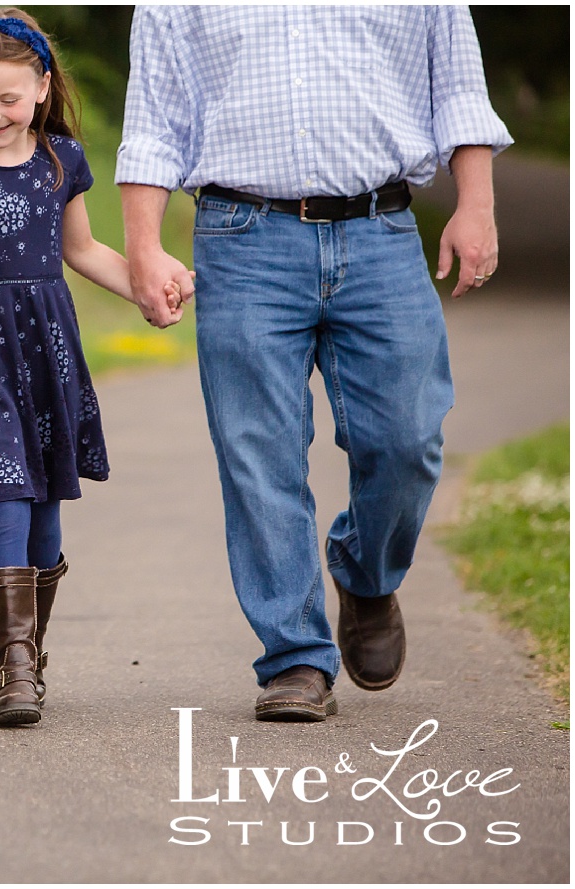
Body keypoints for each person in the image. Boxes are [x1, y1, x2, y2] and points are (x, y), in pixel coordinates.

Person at [117, 7, 513, 720]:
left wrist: (475, 204)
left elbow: (456, 87)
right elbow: (152, 122)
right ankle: (294, 656)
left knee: (407, 436)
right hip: (240, 238)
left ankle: (364, 575)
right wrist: (143, 246)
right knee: (256, 451)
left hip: (381, 231)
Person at [0, 7, 180, 726]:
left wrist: (149, 286)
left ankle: (31, 651)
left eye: (7, 98)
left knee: (45, 504)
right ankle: (12, 666)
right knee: (4, 492)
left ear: (43, 87)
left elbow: (81, 252)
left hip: (48, 347)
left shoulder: (61, 162)